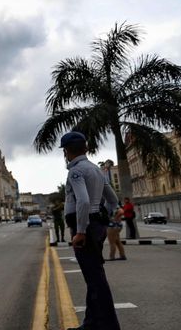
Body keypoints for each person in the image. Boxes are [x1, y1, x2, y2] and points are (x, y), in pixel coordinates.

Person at [61, 131, 121, 330]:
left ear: (67, 151)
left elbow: (83, 201)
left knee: (95, 279)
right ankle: (91, 323)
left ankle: (107, 325)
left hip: (86, 228)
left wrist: (80, 231)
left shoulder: (76, 171)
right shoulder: (96, 170)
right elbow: (112, 199)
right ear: (85, 148)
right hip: (97, 225)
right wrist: (112, 215)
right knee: (94, 277)